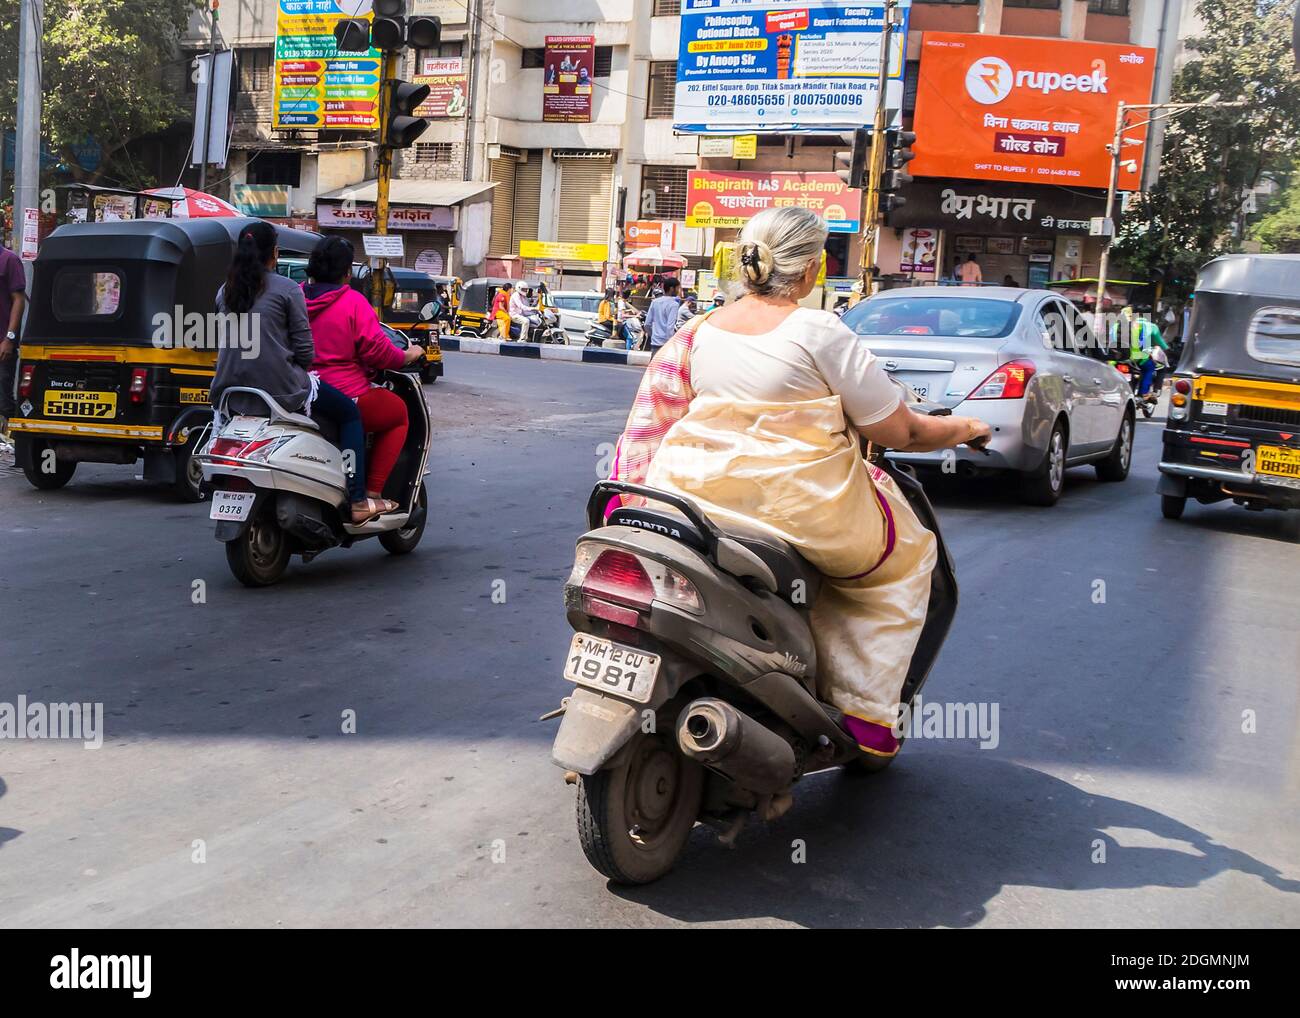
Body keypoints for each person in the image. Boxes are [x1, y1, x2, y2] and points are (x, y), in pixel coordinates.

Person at [607, 206, 991, 760]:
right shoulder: (819, 330)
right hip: (796, 509)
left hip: (689, 496)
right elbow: (901, 430)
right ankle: (865, 713)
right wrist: (966, 427)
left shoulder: (702, 328)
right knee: (906, 557)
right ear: (811, 270)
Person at [210, 222, 378, 524]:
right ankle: (357, 498)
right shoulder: (288, 289)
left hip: (229, 393)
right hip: (279, 391)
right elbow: (305, 352)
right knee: (350, 415)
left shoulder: (225, 290)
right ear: (275, 252)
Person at [302, 236, 422, 515]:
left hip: (298, 391)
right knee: (398, 413)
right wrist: (409, 354)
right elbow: (380, 352)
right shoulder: (352, 302)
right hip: (345, 393)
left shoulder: (295, 296)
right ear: (346, 273)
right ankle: (371, 494)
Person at [0, 240, 28, 445]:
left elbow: (18, 300)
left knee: (2, 395)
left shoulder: (9, 260)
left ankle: (15, 439)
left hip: (2, 340)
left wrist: (9, 338)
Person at [1111, 305, 1169, 399]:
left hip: (1116, 358)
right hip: (1136, 358)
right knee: (1150, 367)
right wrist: (1166, 349)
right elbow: (1160, 344)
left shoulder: (1114, 326)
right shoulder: (1149, 326)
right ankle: (1144, 393)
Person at [644, 276, 682, 351]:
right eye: (678, 288)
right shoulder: (674, 304)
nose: (678, 291)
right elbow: (669, 327)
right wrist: (671, 343)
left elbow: (647, 324)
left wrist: (654, 336)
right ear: (671, 288)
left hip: (655, 343)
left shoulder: (655, 302)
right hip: (666, 345)